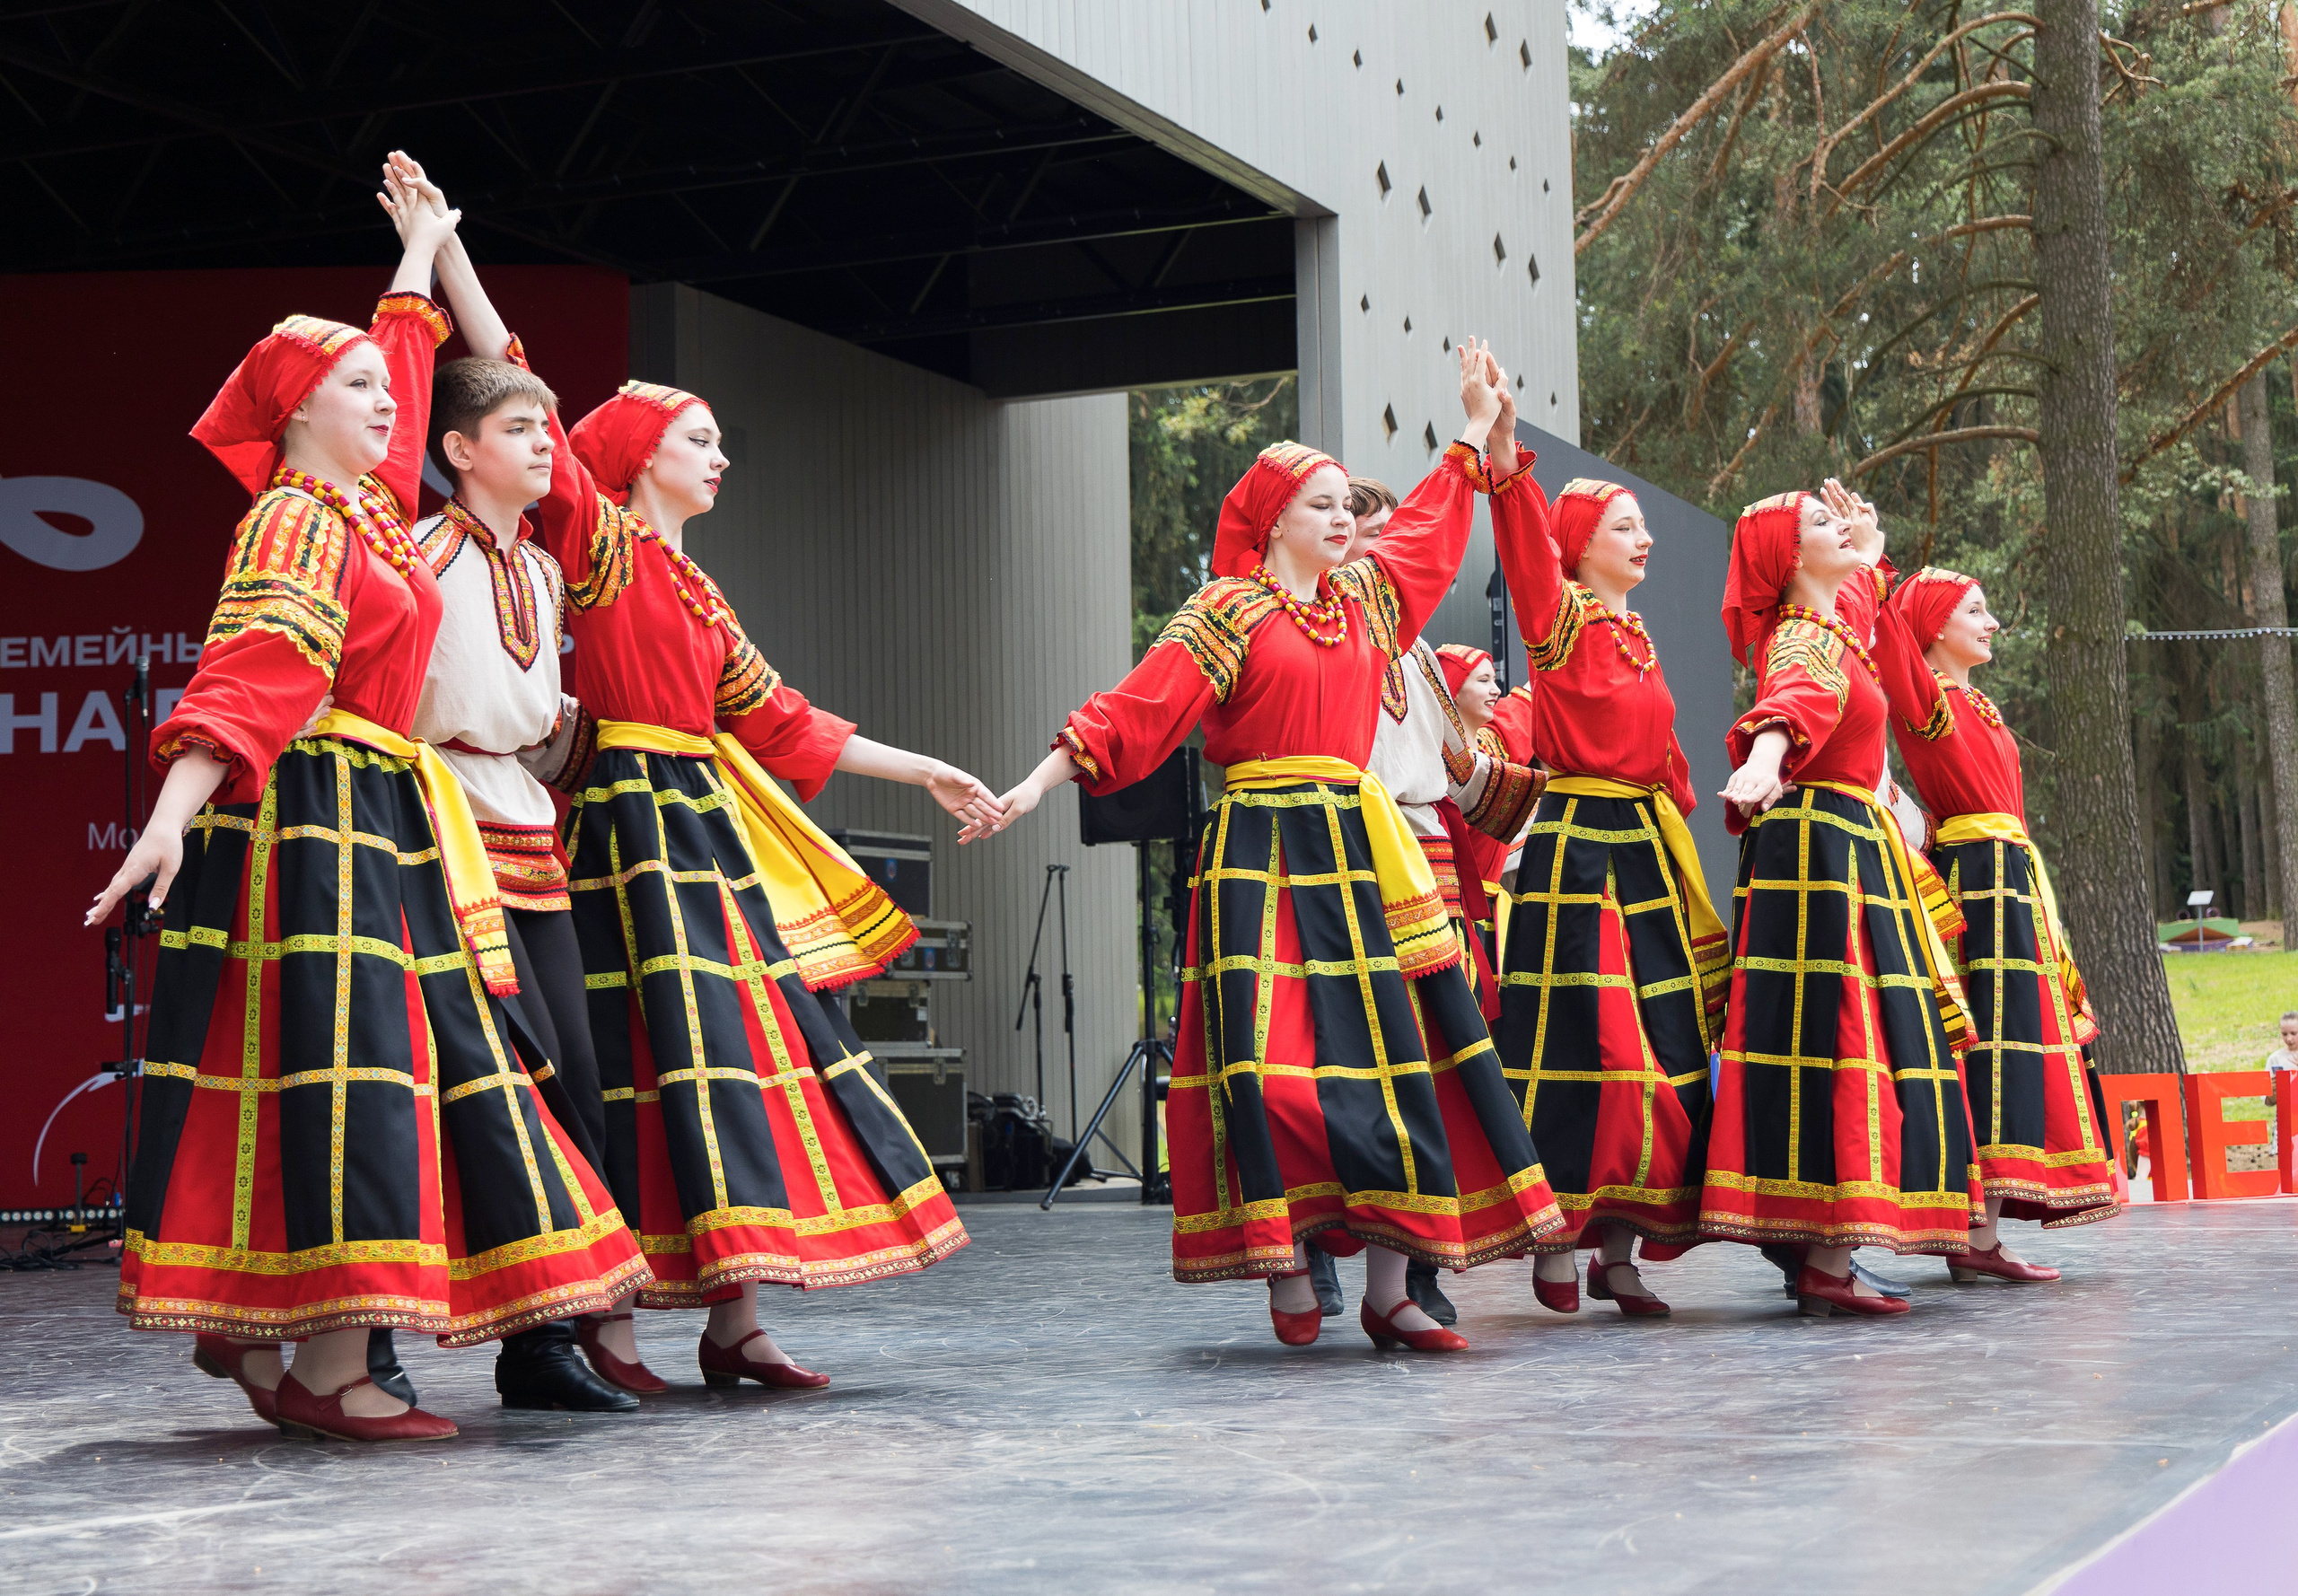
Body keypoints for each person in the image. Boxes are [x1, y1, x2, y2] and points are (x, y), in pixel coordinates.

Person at [88, 159, 647, 1443]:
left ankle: (278, 1338)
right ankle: (330, 1366)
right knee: (360, 1072)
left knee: (382, 1072)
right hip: (322, 814)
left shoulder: (371, 513)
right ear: (297, 413)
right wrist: (168, 815)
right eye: (357, 389)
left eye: (385, 388)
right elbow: (250, 675)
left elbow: (401, 360)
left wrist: (424, 253)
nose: (389, 398)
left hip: (381, 816)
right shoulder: (299, 519)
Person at [991, 344, 1563, 1354]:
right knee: (1274, 1061)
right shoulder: (1228, 610)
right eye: (1321, 505)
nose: (1343, 518)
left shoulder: (1368, 600)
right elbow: (1137, 711)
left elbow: (1432, 521)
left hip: (1356, 845)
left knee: (1394, 1057)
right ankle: (1291, 1255)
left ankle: (1390, 1287)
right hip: (1260, 850)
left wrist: (1478, 426)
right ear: (1272, 521)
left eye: (1346, 505)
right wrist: (1033, 786)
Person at [546, 368, 996, 1390]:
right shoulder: (604, 546)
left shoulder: (700, 591)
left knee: (734, 1059)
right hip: (626, 832)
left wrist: (924, 768)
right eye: (698, 440)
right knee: (637, 1060)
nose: (720, 458)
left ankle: (736, 1321)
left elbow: (782, 720)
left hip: (703, 835)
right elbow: (542, 418)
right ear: (640, 456)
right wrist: (441, 279)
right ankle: (609, 1326)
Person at [369, 155, 642, 1411]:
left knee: (569, 1082)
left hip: (531, 836)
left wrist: (455, 250)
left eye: (548, 428)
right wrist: (417, 262)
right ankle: (368, 1335)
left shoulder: (542, 565)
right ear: (457, 451)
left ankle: (545, 1340)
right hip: (433, 836)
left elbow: (513, 366)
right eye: (522, 430)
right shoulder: (412, 552)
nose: (546, 442)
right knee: (440, 1088)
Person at [1704, 480, 1981, 1317]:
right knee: (1842, 1033)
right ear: (1788, 560)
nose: (1839, 530)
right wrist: (1764, 759)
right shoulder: (1801, 637)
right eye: (1819, 524)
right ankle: (1826, 1258)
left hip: (1847, 847)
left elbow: (1858, 597)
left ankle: (1826, 1251)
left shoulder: (1836, 622)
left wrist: (1869, 541)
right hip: (1823, 853)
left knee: (1849, 1034)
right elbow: (1793, 699)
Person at [1293, 476, 1546, 1330]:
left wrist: (1565, 791)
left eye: (1390, 537)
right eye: (1373, 539)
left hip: (1429, 863)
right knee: (1337, 1054)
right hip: (1350, 858)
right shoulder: (1321, 637)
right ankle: (1310, 1235)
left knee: (1434, 1062)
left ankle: (1416, 1264)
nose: (1389, 555)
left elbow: (1461, 774)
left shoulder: (1423, 658)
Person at [1483, 460, 1727, 1318]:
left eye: (1642, 526)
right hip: (1579, 854)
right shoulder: (1560, 620)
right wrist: (1506, 466)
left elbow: (1666, 756)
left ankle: (1617, 1252)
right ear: (1580, 547)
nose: (1644, 538)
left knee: (1662, 1044)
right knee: (1587, 1047)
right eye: (1625, 527)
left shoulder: (1636, 633)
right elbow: (1525, 554)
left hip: (1645, 851)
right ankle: (1556, 1237)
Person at [1880, 566, 2122, 1273]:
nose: (1991, 624)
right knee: (1989, 1039)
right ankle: (1976, 1238)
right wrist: (1872, 560)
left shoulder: (1974, 703)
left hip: (2008, 879)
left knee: (2011, 1037)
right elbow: (1890, 635)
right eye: (1975, 612)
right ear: (1934, 628)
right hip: (1978, 884)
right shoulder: (1929, 700)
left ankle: (1980, 1234)